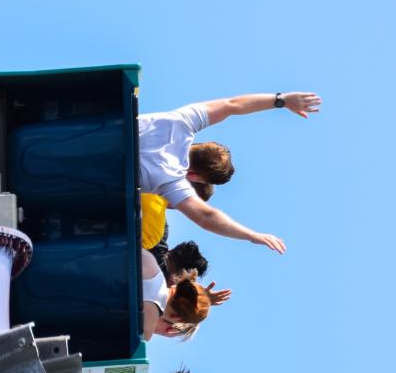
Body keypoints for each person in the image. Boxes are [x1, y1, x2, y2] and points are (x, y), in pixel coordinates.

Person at [138, 92, 322, 255]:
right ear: (193, 177)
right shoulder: (170, 182)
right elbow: (207, 218)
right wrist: (251, 235)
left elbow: (232, 105)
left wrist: (281, 100)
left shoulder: (183, 121)